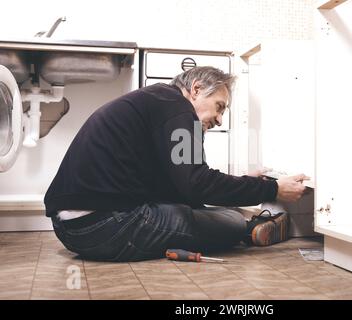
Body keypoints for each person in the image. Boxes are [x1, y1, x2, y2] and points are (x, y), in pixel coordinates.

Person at [44, 66, 309, 262]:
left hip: (70, 229)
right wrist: (272, 190)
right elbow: (197, 184)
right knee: (232, 220)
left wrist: (243, 183)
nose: (219, 119)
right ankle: (247, 230)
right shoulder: (179, 108)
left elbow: (182, 188)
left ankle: (247, 229)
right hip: (107, 227)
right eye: (219, 106)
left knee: (198, 210)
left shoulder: (156, 101)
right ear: (195, 90)